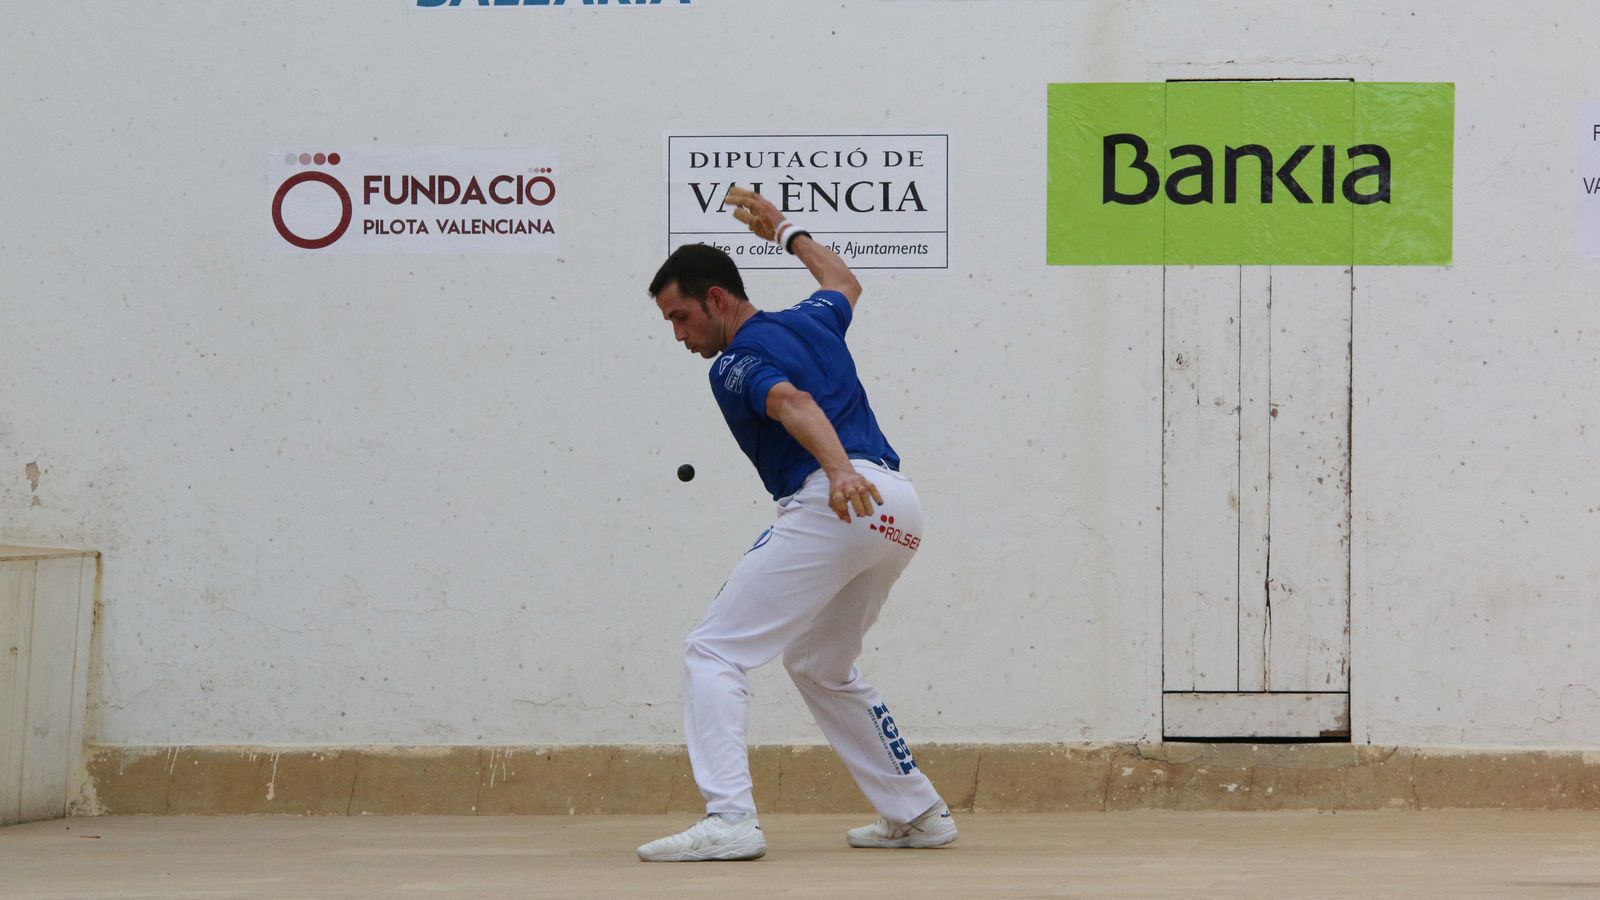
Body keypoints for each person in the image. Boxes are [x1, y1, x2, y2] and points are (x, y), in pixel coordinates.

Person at [637, 186, 956, 862]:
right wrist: (785, 231)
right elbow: (843, 280)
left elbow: (791, 402)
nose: (679, 335)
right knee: (819, 661)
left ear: (718, 299)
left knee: (715, 650)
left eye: (681, 316)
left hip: (841, 499)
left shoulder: (734, 362)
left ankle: (729, 819)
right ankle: (917, 811)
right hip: (898, 507)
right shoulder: (813, 319)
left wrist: (839, 472)